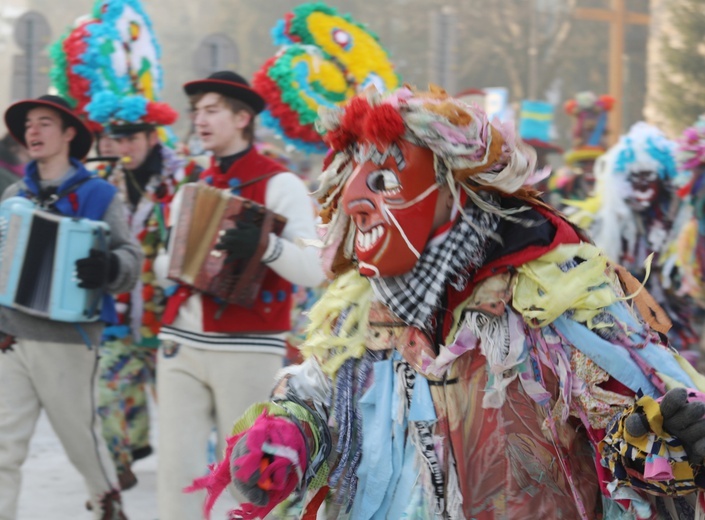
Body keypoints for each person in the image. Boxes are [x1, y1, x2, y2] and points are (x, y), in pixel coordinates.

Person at [190, 86, 705, 520]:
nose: (354, 202)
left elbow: (625, 425)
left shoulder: (554, 292)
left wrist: (666, 444)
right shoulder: (364, 301)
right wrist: (289, 432)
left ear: (452, 187)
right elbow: (324, 397)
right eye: (353, 176)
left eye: (386, 179)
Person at [154, 70, 325, 519]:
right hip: (180, 340)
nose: (200, 119)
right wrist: (161, 261)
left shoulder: (280, 184)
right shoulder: (191, 187)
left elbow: (311, 268)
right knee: (177, 474)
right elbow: (163, 266)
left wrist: (265, 246)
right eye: (197, 112)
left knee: (253, 479)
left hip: (249, 347)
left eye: (212, 110)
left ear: (243, 116)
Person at [0, 94, 142, 519]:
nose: (33, 131)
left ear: (68, 134)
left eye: (45, 123)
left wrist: (108, 266)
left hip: (69, 337)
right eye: (28, 124)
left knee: (81, 441)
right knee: (3, 445)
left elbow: (131, 257)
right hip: (10, 337)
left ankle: (107, 506)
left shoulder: (98, 194)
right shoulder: (14, 194)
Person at [94, 119, 185, 491]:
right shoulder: (103, 179)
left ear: (151, 137)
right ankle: (121, 460)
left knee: (178, 408)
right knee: (106, 392)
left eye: (131, 137)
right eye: (117, 138)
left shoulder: (179, 179)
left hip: (167, 316)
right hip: (118, 314)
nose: (122, 145)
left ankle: (189, 470)